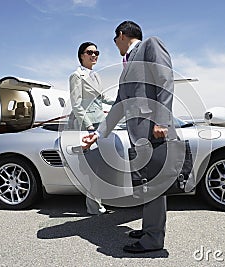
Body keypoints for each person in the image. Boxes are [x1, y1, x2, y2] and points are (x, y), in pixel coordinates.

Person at [82, 21, 176, 253]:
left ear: (121, 35)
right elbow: (119, 105)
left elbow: (166, 80)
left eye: (115, 41)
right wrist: (98, 134)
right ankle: (149, 229)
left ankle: (153, 239)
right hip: (139, 135)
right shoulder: (127, 66)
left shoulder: (150, 45)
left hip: (153, 130)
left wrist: (162, 121)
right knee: (146, 184)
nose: (115, 45)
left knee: (154, 185)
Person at [69, 41, 115, 215]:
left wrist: (118, 100)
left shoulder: (96, 75)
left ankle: (101, 201)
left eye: (97, 52)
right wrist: (88, 125)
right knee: (92, 167)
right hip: (86, 125)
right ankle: (94, 207)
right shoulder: (76, 76)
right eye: (90, 52)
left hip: (100, 122)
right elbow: (76, 104)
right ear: (82, 55)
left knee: (102, 164)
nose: (94, 55)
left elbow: (101, 97)